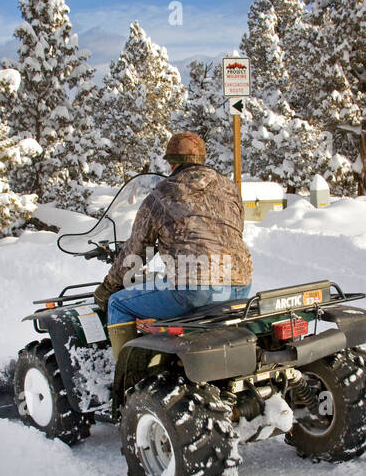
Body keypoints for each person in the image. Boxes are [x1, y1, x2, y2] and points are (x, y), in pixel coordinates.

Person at [94, 132, 253, 358]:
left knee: (118, 304)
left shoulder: (162, 194)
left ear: (172, 163)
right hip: (239, 286)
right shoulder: (229, 188)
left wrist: (108, 288)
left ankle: (123, 380)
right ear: (202, 159)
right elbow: (234, 230)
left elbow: (136, 251)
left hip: (195, 289)